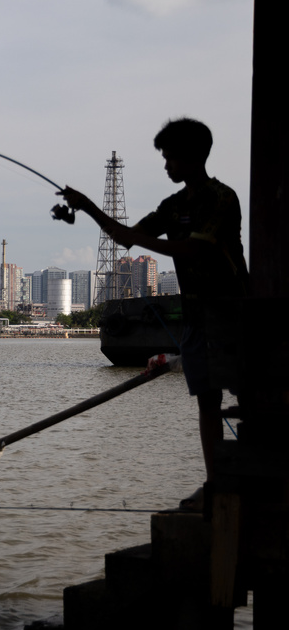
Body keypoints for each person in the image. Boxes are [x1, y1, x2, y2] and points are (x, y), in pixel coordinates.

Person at [55, 118, 249, 511]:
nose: (166, 167)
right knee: (207, 400)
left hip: (232, 310)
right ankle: (216, 484)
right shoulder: (172, 206)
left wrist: (145, 240)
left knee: (248, 394)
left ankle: (250, 470)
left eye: (171, 158)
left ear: (196, 156)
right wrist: (88, 206)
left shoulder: (221, 198)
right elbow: (126, 237)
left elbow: (195, 249)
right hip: (195, 315)